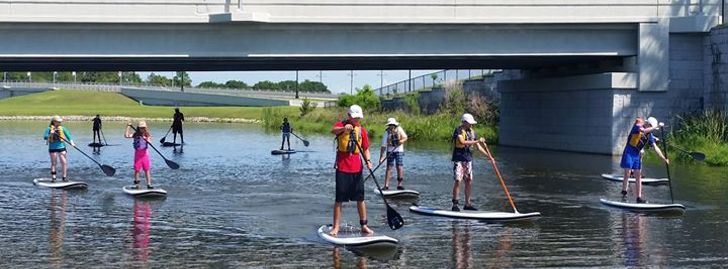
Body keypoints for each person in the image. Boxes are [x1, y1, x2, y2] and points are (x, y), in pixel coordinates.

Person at [330, 105, 373, 236]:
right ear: (349, 116)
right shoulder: (341, 125)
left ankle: (364, 225)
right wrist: (344, 129)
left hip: (357, 168)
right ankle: (336, 227)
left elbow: (365, 148)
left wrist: (368, 161)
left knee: (360, 198)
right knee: (339, 199)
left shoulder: (362, 131)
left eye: (358, 117)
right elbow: (333, 131)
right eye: (354, 117)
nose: (356, 120)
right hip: (342, 167)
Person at [620, 116, 668, 203]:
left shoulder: (650, 135)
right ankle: (624, 193)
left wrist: (663, 158)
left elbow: (655, 147)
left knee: (638, 176)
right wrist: (656, 127)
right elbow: (643, 131)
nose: (651, 128)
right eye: (650, 126)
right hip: (629, 152)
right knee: (627, 173)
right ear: (647, 124)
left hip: (637, 155)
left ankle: (638, 198)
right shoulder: (638, 126)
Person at [451, 113, 488, 212]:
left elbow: (478, 147)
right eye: (470, 123)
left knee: (468, 181)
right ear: (464, 122)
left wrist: (489, 156)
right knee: (458, 180)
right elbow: (462, 142)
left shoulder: (472, 132)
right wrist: (477, 142)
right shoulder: (458, 130)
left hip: (468, 160)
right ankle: (455, 204)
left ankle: (467, 204)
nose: (471, 125)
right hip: (459, 159)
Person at [379, 117, 408, 190]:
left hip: (399, 151)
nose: (391, 126)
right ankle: (386, 185)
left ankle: (400, 184)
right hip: (390, 151)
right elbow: (383, 146)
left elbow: (405, 137)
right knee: (389, 167)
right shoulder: (386, 132)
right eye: (390, 125)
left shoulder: (399, 129)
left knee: (399, 166)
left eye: (392, 124)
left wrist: (402, 141)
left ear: (395, 125)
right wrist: (381, 157)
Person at [43, 115, 76, 182]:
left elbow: (68, 135)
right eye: (58, 122)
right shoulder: (49, 129)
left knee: (64, 162)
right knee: (54, 163)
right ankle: (54, 178)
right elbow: (45, 137)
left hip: (61, 147)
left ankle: (64, 177)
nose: (59, 123)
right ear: (54, 122)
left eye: (60, 122)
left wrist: (72, 142)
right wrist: (51, 134)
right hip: (53, 148)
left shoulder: (63, 128)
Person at [125, 121, 154, 189]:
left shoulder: (147, 135)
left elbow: (150, 141)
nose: (142, 129)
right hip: (138, 155)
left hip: (145, 155)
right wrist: (128, 127)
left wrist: (147, 139)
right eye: (141, 128)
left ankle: (149, 184)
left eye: (143, 128)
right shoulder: (135, 135)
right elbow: (126, 136)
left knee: (147, 170)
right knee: (137, 170)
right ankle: (137, 185)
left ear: (145, 128)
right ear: (138, 128)